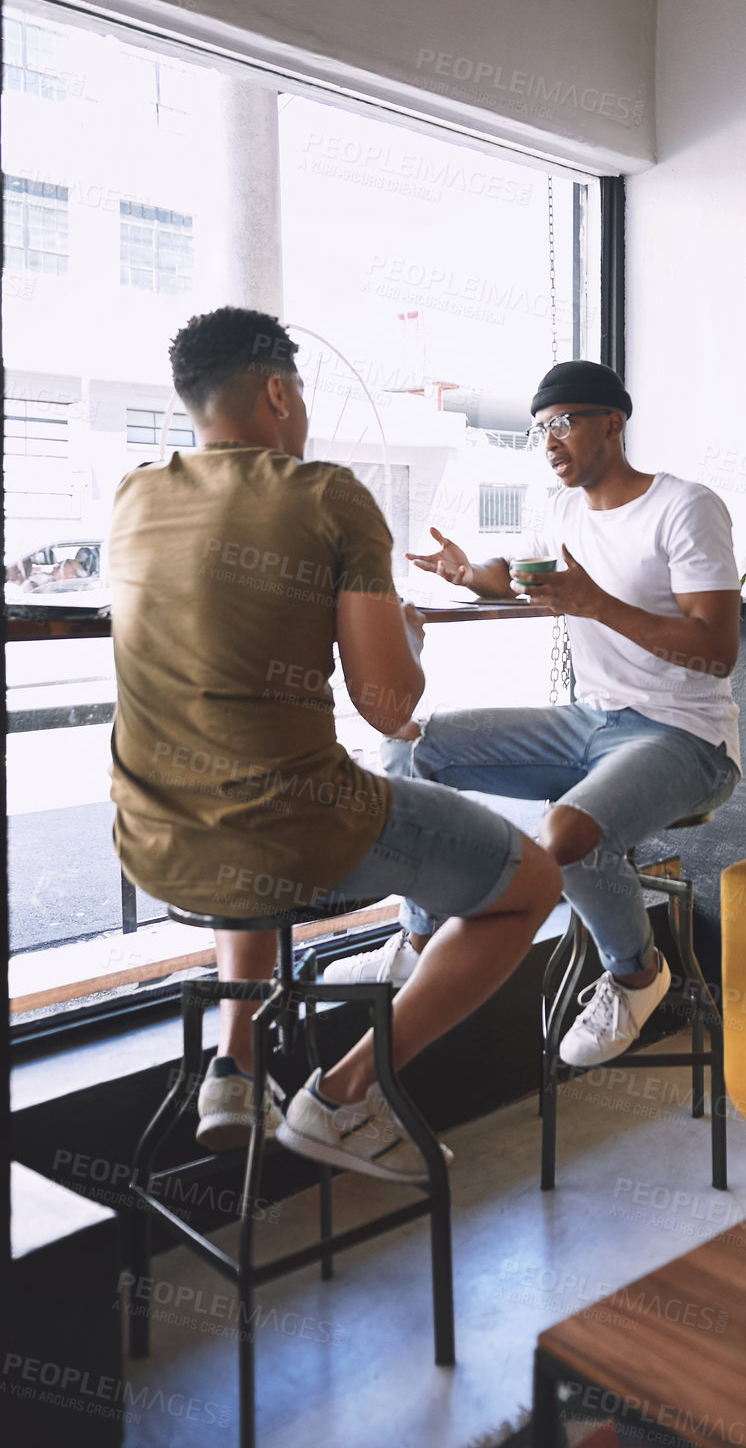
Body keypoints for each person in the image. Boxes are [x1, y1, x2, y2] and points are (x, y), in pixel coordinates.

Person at [108, 307, 561, 1182]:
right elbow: (390, 708)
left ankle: (235, 1071)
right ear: (277, 392)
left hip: (152, 842)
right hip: (290, 830)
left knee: (246, 805)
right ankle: (345, 1097)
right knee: (532, 881)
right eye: (300, 391)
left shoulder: (135, 495)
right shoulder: (327, 495)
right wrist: (406, 635)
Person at [327, 359, 742, 1068]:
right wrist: (468, 575)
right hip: (589, 721)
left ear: (612, 422)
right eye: (539, 430)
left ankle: (636, 977)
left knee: (566, 836)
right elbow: (524, 577)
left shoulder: (684, 506)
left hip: (686, 739)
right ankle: (418, 938)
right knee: (409, 749)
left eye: (563, 422)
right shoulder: (561, 509)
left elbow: (718, 650)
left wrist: (596, 606)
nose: (549, 440)